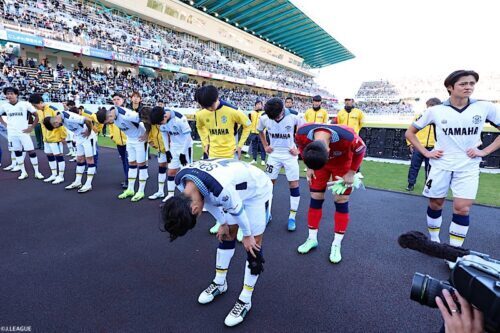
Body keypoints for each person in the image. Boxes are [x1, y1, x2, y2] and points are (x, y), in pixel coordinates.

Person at [161, 158, 272, 327]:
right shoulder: (181, 181)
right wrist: (223, 222)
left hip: (256, 190)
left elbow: (236, 209)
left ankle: (245, 299)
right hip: (233, 186)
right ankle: (220, 283)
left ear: (195, 210)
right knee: (227, 234)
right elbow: (207, 199)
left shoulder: (221, 189)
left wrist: (248, 235)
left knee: (253, 245)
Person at [405, 70, 499, 262]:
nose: (469, 87)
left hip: (468, 166)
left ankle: (453, 253)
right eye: (463, 84)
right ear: (450, 87)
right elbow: (410, 133)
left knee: (462, 208)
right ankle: (434, 240)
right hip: (441, 165)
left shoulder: (484, 107)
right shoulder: (435, 110)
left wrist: (485, 151)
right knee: (435, 203)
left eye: (472, 83)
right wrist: (426, 153)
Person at [295, 123, 366, 263]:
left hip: (342, 163)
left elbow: (361, 150)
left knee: (341, 200)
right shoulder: (301, 133)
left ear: (329, 149)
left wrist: (352, 172)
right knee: (315, 196)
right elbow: (301, 147)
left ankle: (336, 243)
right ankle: (312, 238)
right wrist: (309, 166)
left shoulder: (349, 136)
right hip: (317, 161)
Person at [194, 85, 252, 234]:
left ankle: (240, 223)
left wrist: (240, 145)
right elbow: (200, 127)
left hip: (230, 156)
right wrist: (204, 142)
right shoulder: (201, 114)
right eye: (206, 107)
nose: (210, 109)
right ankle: (220, 221)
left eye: (211, 105)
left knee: (235, 190)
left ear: (217, 98)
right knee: (216, 191)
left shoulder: (232, 111)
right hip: (213, 156)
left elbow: (247, 125)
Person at [258, 97, 303, 231]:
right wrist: (266, 146)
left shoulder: (295, 116)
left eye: (276, 116)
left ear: (282, 110)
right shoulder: (264, 117)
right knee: (268, 185)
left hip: (290, 156)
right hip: (274, 155)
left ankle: (292, 217)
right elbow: (260, 131)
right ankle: (267, 214)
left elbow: (304, 134)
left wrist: (299, 149)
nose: (274, 119)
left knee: (294, 185)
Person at [96, 103, 149, 202]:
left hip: (140, 140)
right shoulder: (112, 114)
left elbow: (146, 119)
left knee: (141, 165)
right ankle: (130, 189)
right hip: (130, 140)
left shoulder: (126, 114)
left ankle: (141, 191)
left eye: (107, 122)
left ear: (109, 115)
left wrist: (147, 133)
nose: (108, 124)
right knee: (131, 164)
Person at [43, 107, 96, 193]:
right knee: (79, 159)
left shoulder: (69, 117)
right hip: (79, 137)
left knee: (89, 160)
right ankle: (78, 181)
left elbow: (89, 120)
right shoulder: (59, 118)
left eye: (55, 127)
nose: (57, 127)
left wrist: (89, 132)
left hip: (88, 137)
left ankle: (88, 184)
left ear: (55, 122)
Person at [149, 106, 192, 201]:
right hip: (174, 147)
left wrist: (183, 154)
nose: (160, 125)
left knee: (186, 173)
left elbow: (188, 137)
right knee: (171, 171)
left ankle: (188, 197)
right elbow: (164, 134)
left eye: (160, 123)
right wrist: (167, 151)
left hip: (185, 147)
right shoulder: (161, 119)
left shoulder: (180, 119)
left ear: (165, 116)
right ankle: (170, 195)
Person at [0, 87, 43, 180]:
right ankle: (23, 172)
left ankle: (37, 172)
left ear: (16, 94)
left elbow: (36, 116)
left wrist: (31, 127)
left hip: (23, 132)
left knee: (31, 151)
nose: (9, 95)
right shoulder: (4, 106)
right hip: (12, 133)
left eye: (11, 93)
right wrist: (5, 124)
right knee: (17, 152)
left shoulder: (25, 104)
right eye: (7, 94)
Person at [29, 94, 67, 184]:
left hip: (56, 139)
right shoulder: (39, 111)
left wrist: (63, 137)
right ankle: (53, 174)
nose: (34, 107)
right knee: (49, 156)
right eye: (33, 106)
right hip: (46, 139)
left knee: (59, 157)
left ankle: (60, 176)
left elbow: (61, 124)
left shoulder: (52, 109)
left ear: (41, 102)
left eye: (35, 105)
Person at [406, 98, 440, 191]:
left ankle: (428, 186)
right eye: (428, 107)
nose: (429, 109)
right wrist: (410, 144)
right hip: (419, 146)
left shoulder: (440, 118)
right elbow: (410, 130)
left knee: (430, 169)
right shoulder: (419, 116)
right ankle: (410, 184)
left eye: (431, 107)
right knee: (414, 166)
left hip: (432, 147)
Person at [108, 94, 129, 189]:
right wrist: (112, 136)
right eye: (114, 99)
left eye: (118, 99)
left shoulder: (126, 112)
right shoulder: (111, 112)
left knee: (128, 161)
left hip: (128, 142)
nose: (116, 101)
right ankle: (128, 178)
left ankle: (128, 180)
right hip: (119, 142)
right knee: (124, 161)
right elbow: (110, 125)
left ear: (123, 100)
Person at [247, 100, 266, 165]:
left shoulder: (264, 113)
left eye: (259, 104)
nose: (258, 105)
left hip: (261, 132)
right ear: (255, 106)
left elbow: (266, 123)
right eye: (257, 104)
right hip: (253, 132)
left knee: (262, 146)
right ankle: (254, 159)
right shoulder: (252, 113)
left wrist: (265, 130)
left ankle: (263, 160)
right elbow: (249, 122)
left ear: (262, 105)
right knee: (254, 146)